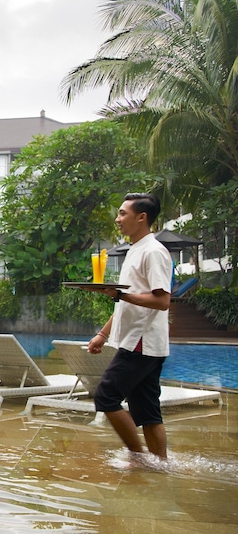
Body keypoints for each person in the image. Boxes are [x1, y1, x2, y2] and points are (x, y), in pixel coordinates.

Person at [88, 193, 172, 458]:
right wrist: (103, 334)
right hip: (139, 342)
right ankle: (159, 464)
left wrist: (120, 295)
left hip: (141, 342)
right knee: (147, 412)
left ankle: (138, 457)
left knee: (106, 396)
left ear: (141, 217)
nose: (118, 219)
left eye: (123, 213)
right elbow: (127, 301)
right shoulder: (135, 250)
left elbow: (162, 301)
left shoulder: (153, 251)